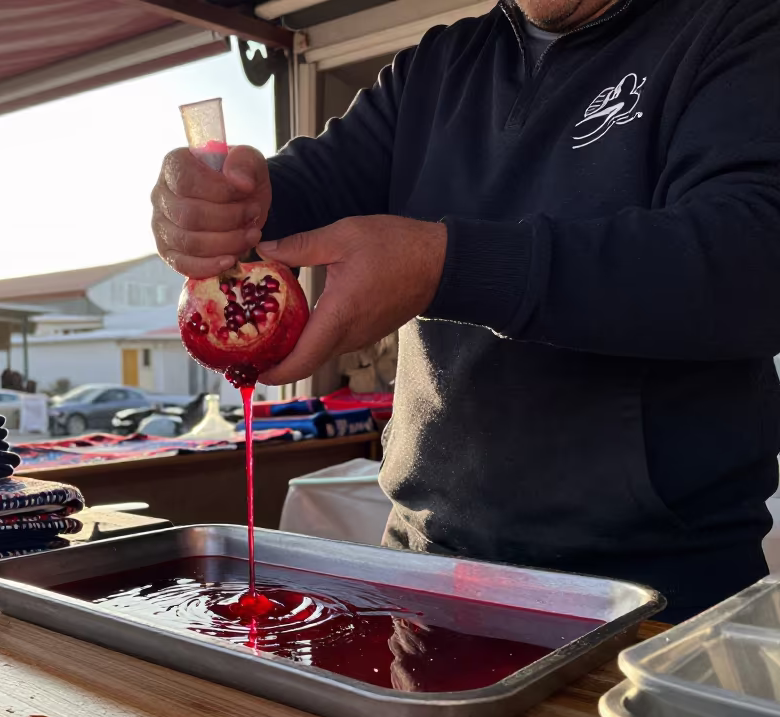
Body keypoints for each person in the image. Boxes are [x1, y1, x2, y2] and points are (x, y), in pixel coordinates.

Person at [152, 0, 780, 622]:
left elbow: (753, 259)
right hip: (424, 567)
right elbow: (295, 194)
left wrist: (446, 265)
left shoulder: (738, 26)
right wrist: (220, 209)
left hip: (657, 590)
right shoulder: (437, 67)